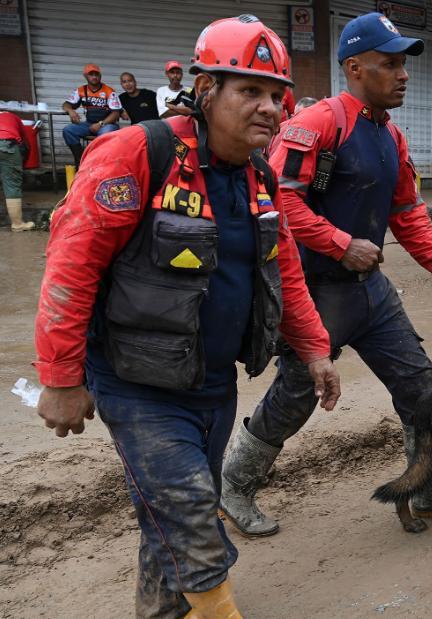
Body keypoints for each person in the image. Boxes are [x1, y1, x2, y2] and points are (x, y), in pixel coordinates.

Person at [33, 15, 340, 617]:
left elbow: (285, 272)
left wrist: (315, 348)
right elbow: (70, 267)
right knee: (193, 510)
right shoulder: (137, 152)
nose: (269, 108)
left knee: (168, 516)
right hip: (135, 384)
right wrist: (61, 379)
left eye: (277, 95)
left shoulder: (261, 177)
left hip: (212, 382)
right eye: (249, 91)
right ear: (205, 91)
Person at [218, 12, 432, 537]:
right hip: (314, 293)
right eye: (390, 64)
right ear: (354, 68)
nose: (403, 75)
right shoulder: (317, 125)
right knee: (296, 395)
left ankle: (428, 488)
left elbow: (407, 213)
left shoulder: (391, 138)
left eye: (404, 64)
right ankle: (235, 484)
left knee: (421, 386)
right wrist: (338, 243)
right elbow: (277, 201)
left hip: (371, 293)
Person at [61, 64, 122, 165]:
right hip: (89, 124)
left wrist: (100, 124)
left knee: (105, 135)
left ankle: (100, 164)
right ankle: (81, 162)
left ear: (100, 76)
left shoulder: (109, 91)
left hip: (107, 124)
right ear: (85, 76)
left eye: (96, 74)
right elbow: (66, 104)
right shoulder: (81, 90)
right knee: (68, 130)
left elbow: (116, 113)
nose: (94, 77)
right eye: (91, 74)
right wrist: (70, 111)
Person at [0, 110, 33, 230]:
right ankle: (17, 224)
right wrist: (22, 164)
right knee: (12, 185)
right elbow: (26, 142)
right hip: (7, 146)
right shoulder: (13, 117)